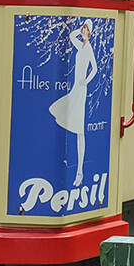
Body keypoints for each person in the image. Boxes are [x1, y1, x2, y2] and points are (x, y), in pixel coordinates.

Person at [49, 20, 97, 186]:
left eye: (86, 30)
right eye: (83, 29)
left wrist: (86, 81)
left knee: (80, 131)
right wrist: (80, 27)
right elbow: (70, 35)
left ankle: (80, 172)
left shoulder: (88, 48)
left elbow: (95, 68)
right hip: (76, 88)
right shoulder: (81, 46)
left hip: (81, 89)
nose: (83, 32)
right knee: (69, 118)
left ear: (90, 32)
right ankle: (77, 171)